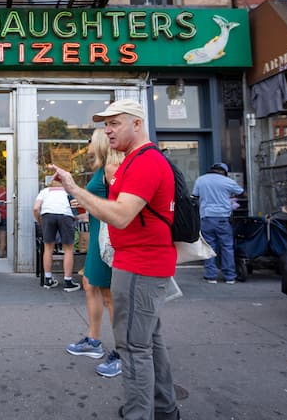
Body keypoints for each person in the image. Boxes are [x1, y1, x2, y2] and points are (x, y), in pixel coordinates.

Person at [49, 99, 180, 420]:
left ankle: (140, 413)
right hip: (139, 263)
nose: (107, 130)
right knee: (148, 342)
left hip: (140, 266)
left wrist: (74, 189)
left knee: (134, 348)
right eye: (105, 124)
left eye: (115, 123)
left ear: (137, 124)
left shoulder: (145, 162)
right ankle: (165, 409)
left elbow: (121, 215)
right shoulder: (135, 161)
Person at [65, 129, 125, 375]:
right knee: (89, 284)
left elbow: (120, 207)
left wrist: (87, 202)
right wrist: (87, 205)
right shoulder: (103, 169)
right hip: (99, 234)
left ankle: (123, 352)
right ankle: (93, 340)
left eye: (90, 139)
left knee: (110, 295)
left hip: (107, 238)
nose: (87, 144)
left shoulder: (111, 169)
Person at [192, 162, 244, 284]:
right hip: (222, 218)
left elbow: (195, 196)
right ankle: (230, 276)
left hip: (206, 217)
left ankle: (211, 276)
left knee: (208, 246)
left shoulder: (201, 180)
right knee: (227, 247)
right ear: (224, 172)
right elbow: (242, 193)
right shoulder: (227, 181)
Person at [33, 179, 80, 292]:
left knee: (48, 248)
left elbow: (35, 208)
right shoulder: (69, 192)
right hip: (65, 216)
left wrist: (39, 221)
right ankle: (68, 282)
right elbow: (77, 207)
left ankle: (48, 280)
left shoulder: (44, 191)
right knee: (68, 249)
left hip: (47, 216)